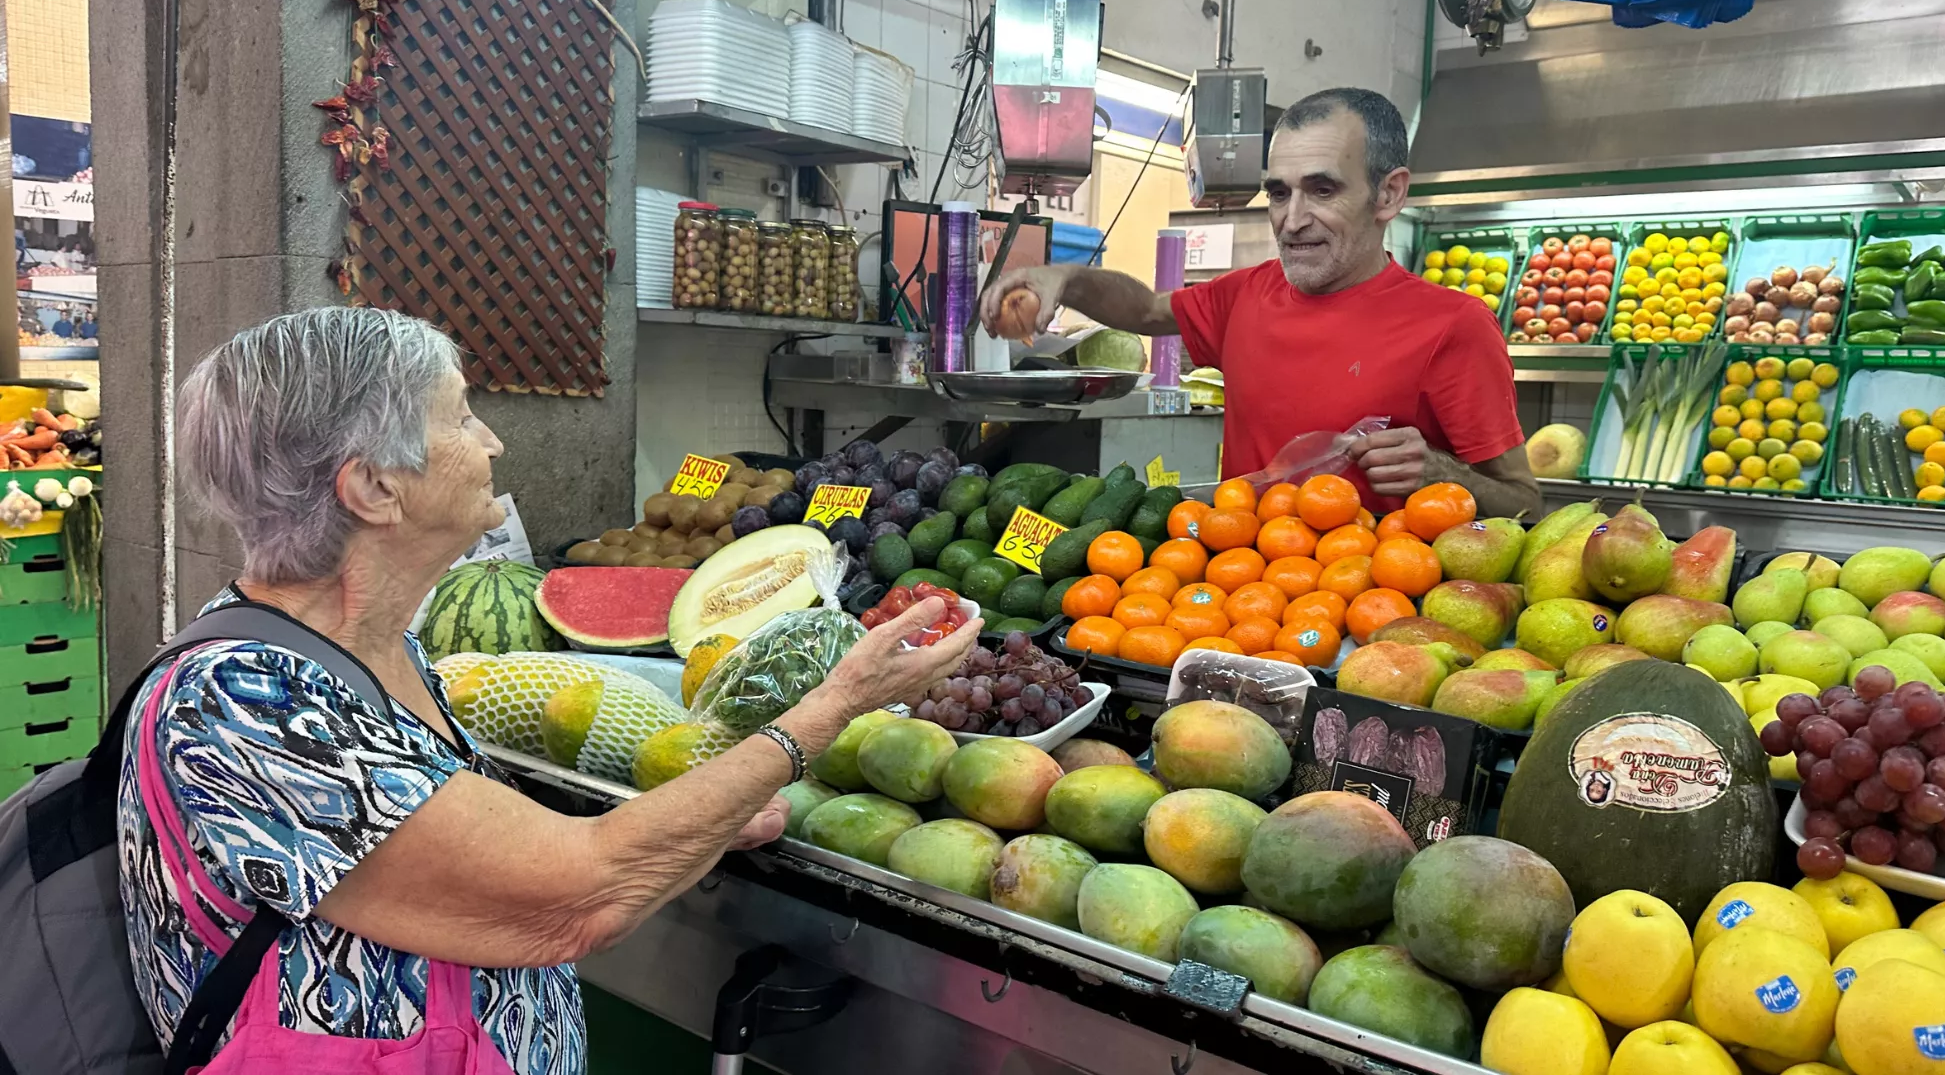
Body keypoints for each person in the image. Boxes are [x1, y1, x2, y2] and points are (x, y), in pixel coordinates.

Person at [121, 306, 979, 1073]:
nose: (492, 441)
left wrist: (710, 813)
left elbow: (486, 871)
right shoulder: (244, 701)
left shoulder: (373, 650)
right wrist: (828, 708)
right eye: (460, 416)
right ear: (375, 487)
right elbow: (578, 897)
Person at [981, 87, 1539, 518]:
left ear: (1388, 194)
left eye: (1323, 190)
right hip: (1244, 603)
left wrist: (1444, 473)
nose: (1292, 221)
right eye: (1278, 192)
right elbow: (1146, 310)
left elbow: (1525, 505)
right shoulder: (1247, 293)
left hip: (1380, 628)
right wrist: (1066, 278)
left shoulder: (1453, 326)